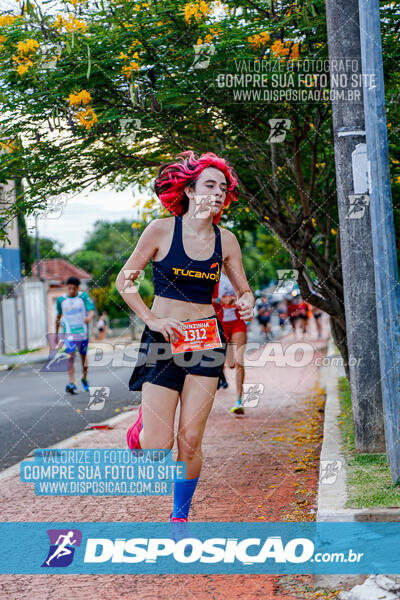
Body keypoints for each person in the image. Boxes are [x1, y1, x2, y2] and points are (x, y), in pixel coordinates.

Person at [116, 151, 255, 523]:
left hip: (205, 341)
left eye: (223, 187)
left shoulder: (226, 241)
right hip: (163, 340)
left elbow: (244, 289)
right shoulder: (161, 230)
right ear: (190, 190)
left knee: (190, 440)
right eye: (209, 185)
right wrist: (151, 319)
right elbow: (124, 281)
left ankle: (180, 518)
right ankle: (141, 432)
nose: (217, 192)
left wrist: (246, 302)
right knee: (156, 450)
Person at [212, 268, 248, 415]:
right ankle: (228, 363)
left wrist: (239, 301)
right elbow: (204, 298)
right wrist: (221, 300)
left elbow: (248, 295)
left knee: (239, 362)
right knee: (231, 364)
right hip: (221, 323)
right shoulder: (213, 277)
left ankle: (239, 401)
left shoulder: (238, 276)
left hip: (237, 322)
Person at [55, 276, 95, 394]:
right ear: (67, 287)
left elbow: (91, 311)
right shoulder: (61, 300)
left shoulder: (83, 297)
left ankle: (84, 378)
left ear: (78, 288)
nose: (72, 290)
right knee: (70, 356)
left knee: (83, 358)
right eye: (69, 288)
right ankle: (72, 382)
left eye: (74, 288)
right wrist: (57, 334)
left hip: (82, 333)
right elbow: (58, 317)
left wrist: (89, 318)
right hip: (69, 334)